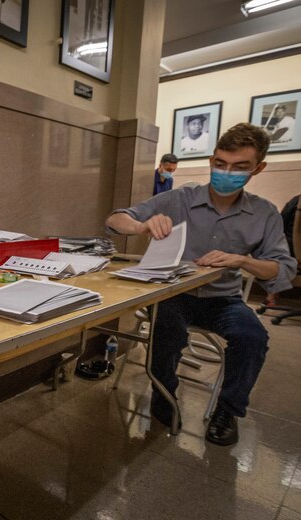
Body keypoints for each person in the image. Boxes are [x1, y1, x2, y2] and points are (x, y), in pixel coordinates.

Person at [106, 123, 297, 446]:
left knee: (252, 337)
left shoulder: (264, 213)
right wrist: (141, 226)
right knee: (166, 328)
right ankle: (164, 394)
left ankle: (228, 410)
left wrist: (242, 260)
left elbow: (282, 269)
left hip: (223, 299)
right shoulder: (180, 198)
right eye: (220, 164)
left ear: (258, 168)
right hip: (174, 293)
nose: (227, 173)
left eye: (239, 167)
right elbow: (115, 219)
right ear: (211, 160)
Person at [263, 193, 299, 307]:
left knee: (276, 256)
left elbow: (281, 223)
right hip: (292, 252)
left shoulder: (296, 201)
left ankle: (271, 297)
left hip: (289, 250)